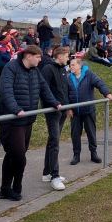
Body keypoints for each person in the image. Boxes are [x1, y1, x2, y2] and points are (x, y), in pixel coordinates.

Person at [0, 45, 61, 201]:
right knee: (18, 155)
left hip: (28, 119)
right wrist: (15, 109)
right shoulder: (11, 68)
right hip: (12, 120)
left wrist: (55, 103)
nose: (40, 60)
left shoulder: (35, 71)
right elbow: (6, 90)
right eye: (38, 57)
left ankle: (5, 189)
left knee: (14, 154)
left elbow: (44, 88)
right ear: (28, 56)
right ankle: (16, 186)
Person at [67, 58, 112, 165]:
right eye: (70, 65)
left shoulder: (89, 75)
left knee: (91, 133)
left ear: (80, 65)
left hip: (88, 110)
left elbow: (99, 83)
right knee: (75, 134)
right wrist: (68, 108)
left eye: (73, 65)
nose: (71, 67)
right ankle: (76, 155)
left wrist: (107, 93)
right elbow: (65, 94)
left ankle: (94, 153)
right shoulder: (68, 78)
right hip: (75, 112)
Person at [40, 47, 70, 191]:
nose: (68, 59)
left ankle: (47, 172)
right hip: (53, 110)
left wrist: (68, 106)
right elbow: (44, 89)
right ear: (59, 56)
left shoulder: (63, 70)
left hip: (62, 109)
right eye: (66, 56)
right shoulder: (48, 69)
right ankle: (55, 175)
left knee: (53, 140)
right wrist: (54, 103)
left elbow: (64, 89)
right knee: (54, 141)